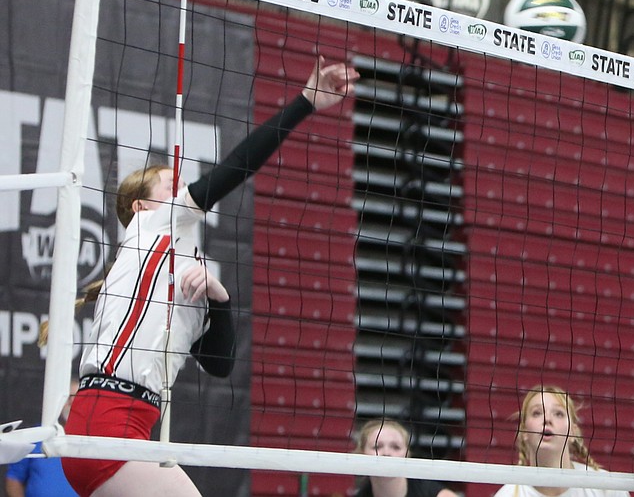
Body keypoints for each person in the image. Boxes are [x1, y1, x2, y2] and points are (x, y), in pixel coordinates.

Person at [61, 57, 358, 497]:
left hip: (124, 427)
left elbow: (219, 365)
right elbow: (236, 168)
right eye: (169, 186)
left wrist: (220, 301)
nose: (182, 190)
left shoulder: (180, 270)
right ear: (142, 207)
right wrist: (306, 101)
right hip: (107, 424)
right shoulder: (148, 228)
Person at [492, 386, 630, 497]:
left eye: (558, 413)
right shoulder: (508, 494)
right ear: (524, 433)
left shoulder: (606, 488)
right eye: (537, 413)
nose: (547, 419)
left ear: (573, 432)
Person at [6, 381, 80, 497]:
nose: (72, 402)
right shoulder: (36, 435)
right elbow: (13, 479)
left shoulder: (94, 440)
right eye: (67, 397)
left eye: (77, 397)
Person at [354, 418, 459, 497]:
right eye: (377, 447)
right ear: (362, 453)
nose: (386, 453)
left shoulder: (438, 495)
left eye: (396, 447)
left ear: (407, 454)